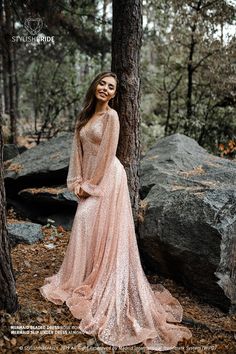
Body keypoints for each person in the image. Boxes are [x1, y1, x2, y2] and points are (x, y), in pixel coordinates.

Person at [40, 71, 192, 351]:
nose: (105, 89)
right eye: (102, 83)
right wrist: (75, 181)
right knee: (87, 224)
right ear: (95, 85)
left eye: (111, 87)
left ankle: (101, 278)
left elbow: (108, 154)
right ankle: (82, 277)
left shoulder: (112, 117)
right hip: (88, 179)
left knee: (89, 220)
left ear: (114, 95)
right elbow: (78, 153)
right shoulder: (85, 116)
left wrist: (91, 185)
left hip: (109, 178)